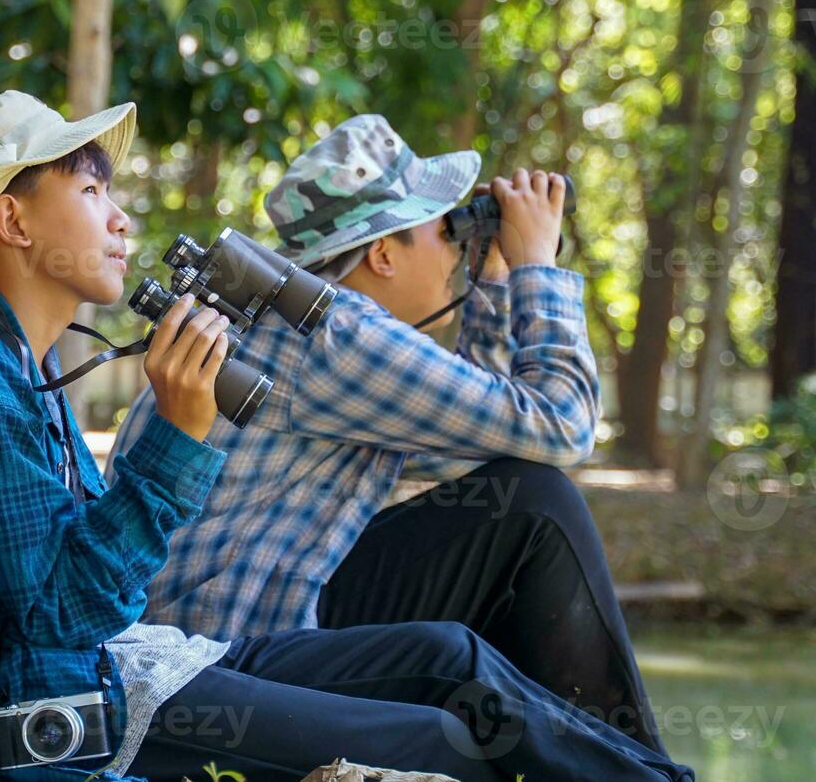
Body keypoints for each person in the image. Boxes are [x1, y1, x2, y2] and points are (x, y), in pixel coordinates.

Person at [0, 92, 694, 782]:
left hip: (138, 664)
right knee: (447, 741)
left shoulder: (11, 366)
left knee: (449, 657)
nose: (120, 214)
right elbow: (64, 613)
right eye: (89, 186)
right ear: (14, 221)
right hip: (70, 714)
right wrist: (180, 438)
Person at [111, 114, 668, 754]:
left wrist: (491, 281)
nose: (455, 248)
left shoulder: (290, 321)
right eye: (442, 228)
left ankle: (607, 763)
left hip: (230, 625)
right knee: (541, 504)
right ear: (381, 252)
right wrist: (537, 265)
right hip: (227, 653)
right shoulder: (334, 334)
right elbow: (564, 427)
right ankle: (637, 764)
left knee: (518, 498)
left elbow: (487, 443)